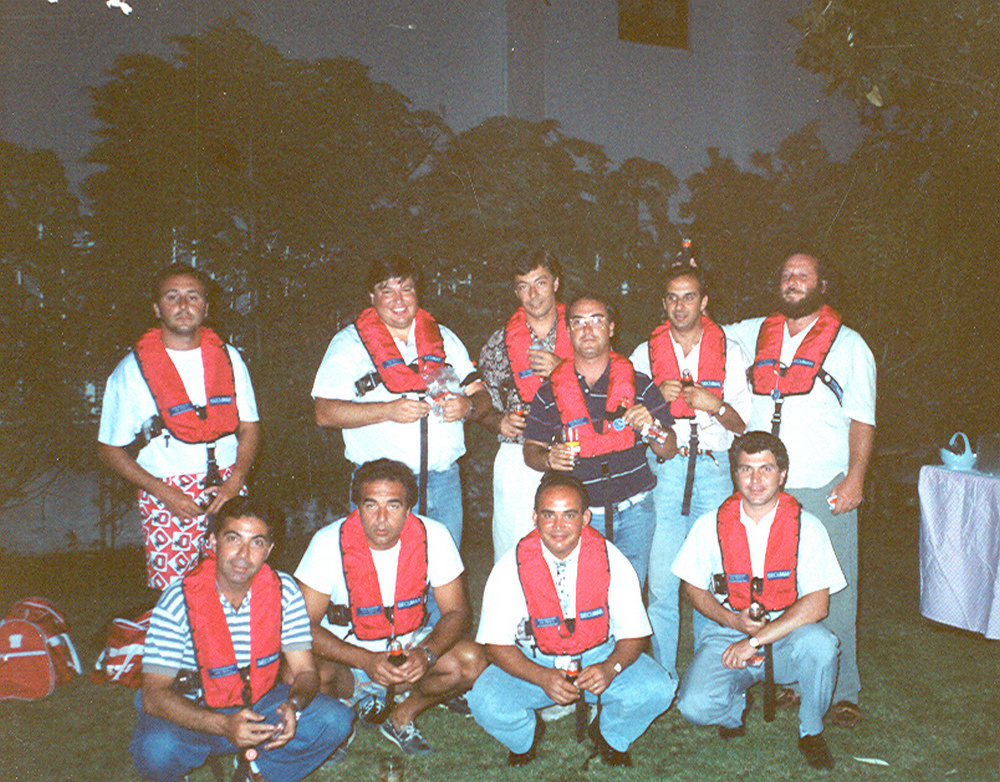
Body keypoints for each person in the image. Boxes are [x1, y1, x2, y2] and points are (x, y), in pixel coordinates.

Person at [724, 252, 875, 727]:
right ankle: (793, 679)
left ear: (822, 285)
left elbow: (862, 418)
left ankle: (844, 690)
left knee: (834, 589)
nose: (792, 281)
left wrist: (855, 478)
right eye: (786, 274)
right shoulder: (753, 332)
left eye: (802, 275)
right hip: (765, 491)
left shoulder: (850, 345)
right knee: (779, 587)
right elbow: (702, 337)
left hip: (823, 486)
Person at [129, 497, 354, 782]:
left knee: (335, 720)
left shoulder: (284, 592)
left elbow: (305, 672)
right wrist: (224, 725)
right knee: (156, 750)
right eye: (233, 539)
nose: (243, 554)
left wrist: (294, 706)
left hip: (258, 707)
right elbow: (153, 695)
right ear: (213, 542)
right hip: (195, 711)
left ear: (269, 550)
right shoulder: (178, 600)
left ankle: (256, 773)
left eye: (257, 543)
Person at [467, 473, 676, 768]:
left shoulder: (611, 560)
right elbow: (494, 644)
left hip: (597, 654)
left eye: (569, 515)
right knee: (484, 700)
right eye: (548, 515)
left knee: (659, 688)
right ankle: (524, 738)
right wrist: (541, 676)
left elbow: (635, 633)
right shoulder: (510, 566)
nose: (558, 526)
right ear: (534, 517)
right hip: (536, 659)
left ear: (585, 518)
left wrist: (610, 668)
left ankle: (610, 735)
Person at [672, 431, 845, 770]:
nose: (755, 480)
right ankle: (733, 707)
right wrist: (732, 621)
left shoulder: (807, 527)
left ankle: (811, 731)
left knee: (822, 646)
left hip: (785, 634)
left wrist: (754, 641)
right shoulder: (709, 525)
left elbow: (818, 604)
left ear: (782, 474)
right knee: (693, 706)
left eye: (766, 469)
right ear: (734, 473)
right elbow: (692, 588)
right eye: (745, 469)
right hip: (729, 631)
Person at [294, 458, 486, 755]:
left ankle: (401, 716)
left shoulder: (434, 535)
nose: (381, 519)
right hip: (348, 662)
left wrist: (426, 654)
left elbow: (457, 612)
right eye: (371, 505)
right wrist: (364, 660)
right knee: (297, 672)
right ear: (357, 507)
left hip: (406, 655)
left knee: (473, 660)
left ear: (409, 509)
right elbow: (299, 626)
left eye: (393, 506)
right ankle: (338, 720)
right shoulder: (327, 542)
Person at [98, 263, 260, 591]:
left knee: (238, 585)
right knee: (174, 595)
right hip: (167, 494)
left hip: (229, 485)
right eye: (172, 297)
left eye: (193, 296)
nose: (183, 305)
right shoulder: (131, 371)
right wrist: (163, 492)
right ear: (157, 308)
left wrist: (236, 481)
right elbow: (108, 449)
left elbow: (250, 427)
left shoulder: (229, 358)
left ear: (206, 307)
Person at [312, 255, 491, 548]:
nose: (398, 300)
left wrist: (467, 407)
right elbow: (324, 412)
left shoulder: (444, 338)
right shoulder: (348, 344)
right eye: (387, 291)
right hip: (381, 489)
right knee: (380, 569)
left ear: (417, 293)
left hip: (444, 483)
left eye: (406, 289)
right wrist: (387, 411)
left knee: (443, 569)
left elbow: (482, 397)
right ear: (372, 297)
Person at [629, 260, 751, 677]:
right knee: (662, 582)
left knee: (711, 577)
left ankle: (708, 673)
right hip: (665, 469)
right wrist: (653, 402)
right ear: (663, 303)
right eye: (672, 298)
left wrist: (713, 405)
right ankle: (664, 675)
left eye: (689, 297)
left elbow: (743, 424)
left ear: (704, 302)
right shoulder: (643, 354)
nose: (680, 306)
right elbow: (625, 417)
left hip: (713, 471)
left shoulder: (730, 351)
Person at [522, 293, 675, 585]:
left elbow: (668, 449)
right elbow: (531, 451)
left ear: (611, 328)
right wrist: (548, 458)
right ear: (569, 331)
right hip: (579, 519)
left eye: (596, 321)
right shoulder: (548, 392)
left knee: (630, 593)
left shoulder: (641, 385)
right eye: (578, 323)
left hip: (635, 513)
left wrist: (651, 426)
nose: (588, 330)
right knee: (584, 595)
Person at [477, 248, 574, 562]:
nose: (533, 295)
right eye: (524, 286)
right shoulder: (498, 344)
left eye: (540, 283)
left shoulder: (585, 332)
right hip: (518, 456)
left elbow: (612, 387)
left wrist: (564, 369)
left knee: (574, 551)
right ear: (516, 291)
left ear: (556, 283)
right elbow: (480, 403)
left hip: (575, 452)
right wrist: (497, 421)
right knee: (513, 553)